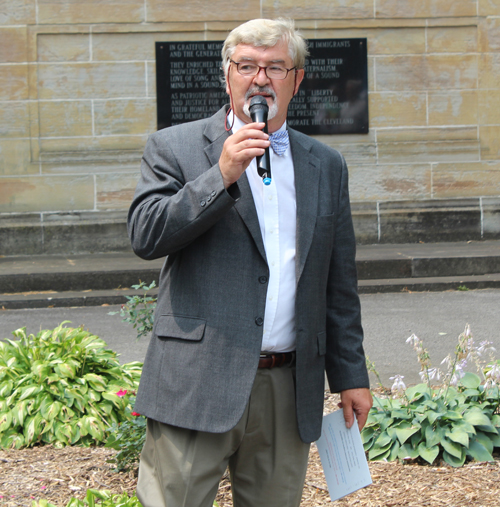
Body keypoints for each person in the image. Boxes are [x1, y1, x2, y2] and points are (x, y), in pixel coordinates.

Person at [128, 18, 372, 507]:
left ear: (297, 79)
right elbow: (146, 234)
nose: (260, 79)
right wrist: (220, 175)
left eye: (275, 67)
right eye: (247, 66)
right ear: (227, 76)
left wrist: (350, 375)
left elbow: (337, 280)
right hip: (198, 380)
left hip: (288, 385)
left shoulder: (325, 164)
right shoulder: (174, 148)